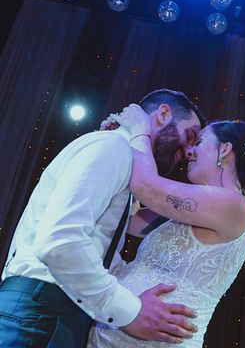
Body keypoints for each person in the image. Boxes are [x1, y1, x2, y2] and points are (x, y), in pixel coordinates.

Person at [0, 89, 205, 347]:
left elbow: (106, 244)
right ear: (163, 114)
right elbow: (61, 241)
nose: (188, 151)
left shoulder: (123, 160)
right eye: (190, 136)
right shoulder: (112, 147)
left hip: (56, 309)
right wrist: (131, 312)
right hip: (42, 310)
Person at [87, 104, 245, 347]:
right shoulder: (192, 210)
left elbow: (147, 187)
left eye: (200, 142)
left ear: (224, 149)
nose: (189, 152)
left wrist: (139, 129)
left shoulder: (235, 207)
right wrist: (116, 144)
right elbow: (125, 222)